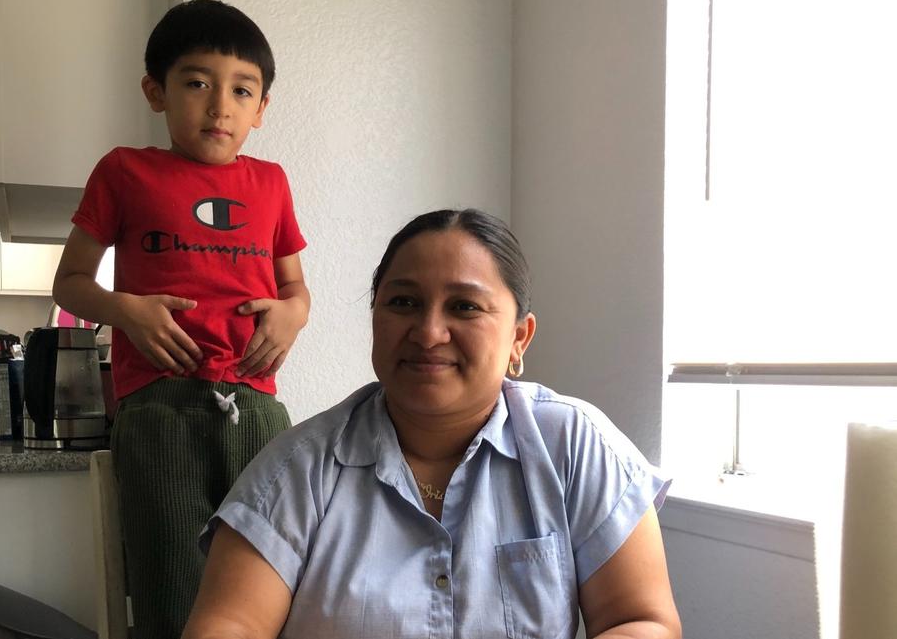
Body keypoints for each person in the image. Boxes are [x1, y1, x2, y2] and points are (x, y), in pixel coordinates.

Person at [182, 209, 681, 639]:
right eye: (403, 303)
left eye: (464, 306)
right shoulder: (296, 470)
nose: (428, 332)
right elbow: (231, 625)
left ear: (518, 340)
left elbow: (641, 619)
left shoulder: (574, 446)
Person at [50, 1, 310, 637]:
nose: (219, 105)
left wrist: (291, 318)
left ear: (261, 108)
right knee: (171, 578)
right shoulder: (123, 171)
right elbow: (70, 283)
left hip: (256, 403)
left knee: (272, 573)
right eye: (196, 82)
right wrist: (126, 311)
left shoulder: (271, 182)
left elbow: (295, 289)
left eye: (241, 90)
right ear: (155, 92)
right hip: (158, 406)